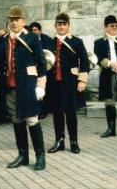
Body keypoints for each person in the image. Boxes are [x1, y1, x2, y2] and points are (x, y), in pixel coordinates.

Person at [0, 5, 47, 171]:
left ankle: (40, 156)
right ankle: (23, 155)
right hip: (9, 87)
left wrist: (40, 85)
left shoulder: (32, 39)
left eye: (17, 20)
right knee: (16, 120)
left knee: (31, 120)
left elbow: (42, 63)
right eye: (11, 20)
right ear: (8, 21)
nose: (14, 23)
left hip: (28, 87)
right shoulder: (2, 41)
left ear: (23, 21)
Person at [46, 13, 89, 153]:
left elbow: (84, 61)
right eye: (59, 24)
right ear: (55, 26)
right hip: (54, 83)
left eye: (64, 24)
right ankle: (59, 141)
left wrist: (82, 80)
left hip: (70, 83)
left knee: (71, 113)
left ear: (68, 26)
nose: (62, 27)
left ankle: (74, 142)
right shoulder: (50, 42)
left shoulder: (76, 42)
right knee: (57, 113)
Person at [29, 21, 53, 119]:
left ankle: (44, 110)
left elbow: (50, 53)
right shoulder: (29, 39)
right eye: (32, 30)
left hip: (46, 67)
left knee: (44, 89)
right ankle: (38, 111)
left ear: (40, 30)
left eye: (35, 30)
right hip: (34, 68)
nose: (34, 32)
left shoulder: (46, 39)